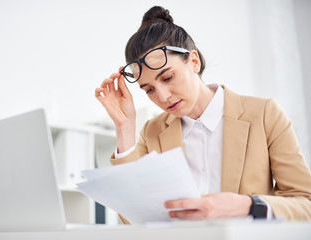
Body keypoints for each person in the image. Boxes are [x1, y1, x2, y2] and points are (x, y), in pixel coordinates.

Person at [95, 6, 311, 223]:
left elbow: (305, 203)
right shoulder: (153, 131)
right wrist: (124, 127)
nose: (162, 96)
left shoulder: (265, 114)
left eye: (168, 77)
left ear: (194, 62)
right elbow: (130, 218)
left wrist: (247, 205)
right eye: (149, 89)